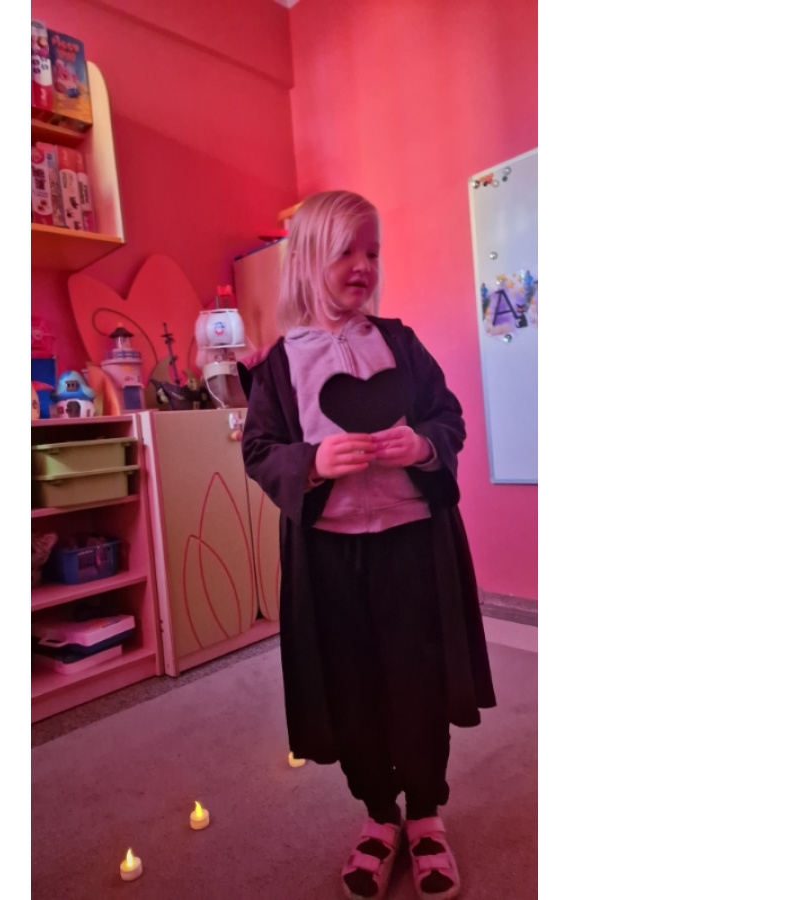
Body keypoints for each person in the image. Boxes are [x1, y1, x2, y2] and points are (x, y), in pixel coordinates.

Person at [239, 190, 497, 900]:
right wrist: (313, 462)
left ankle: (426, 813)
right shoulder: (279, 365)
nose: (363, 265)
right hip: (331, 559)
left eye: (373, 252)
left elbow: (447, 416)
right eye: (345, 251)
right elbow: (259, 450)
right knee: (352, 688)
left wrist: (422, 444)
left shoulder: (399, 343)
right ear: (306, 260)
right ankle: (380, 814)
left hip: (412, 548)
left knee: (418, 682)